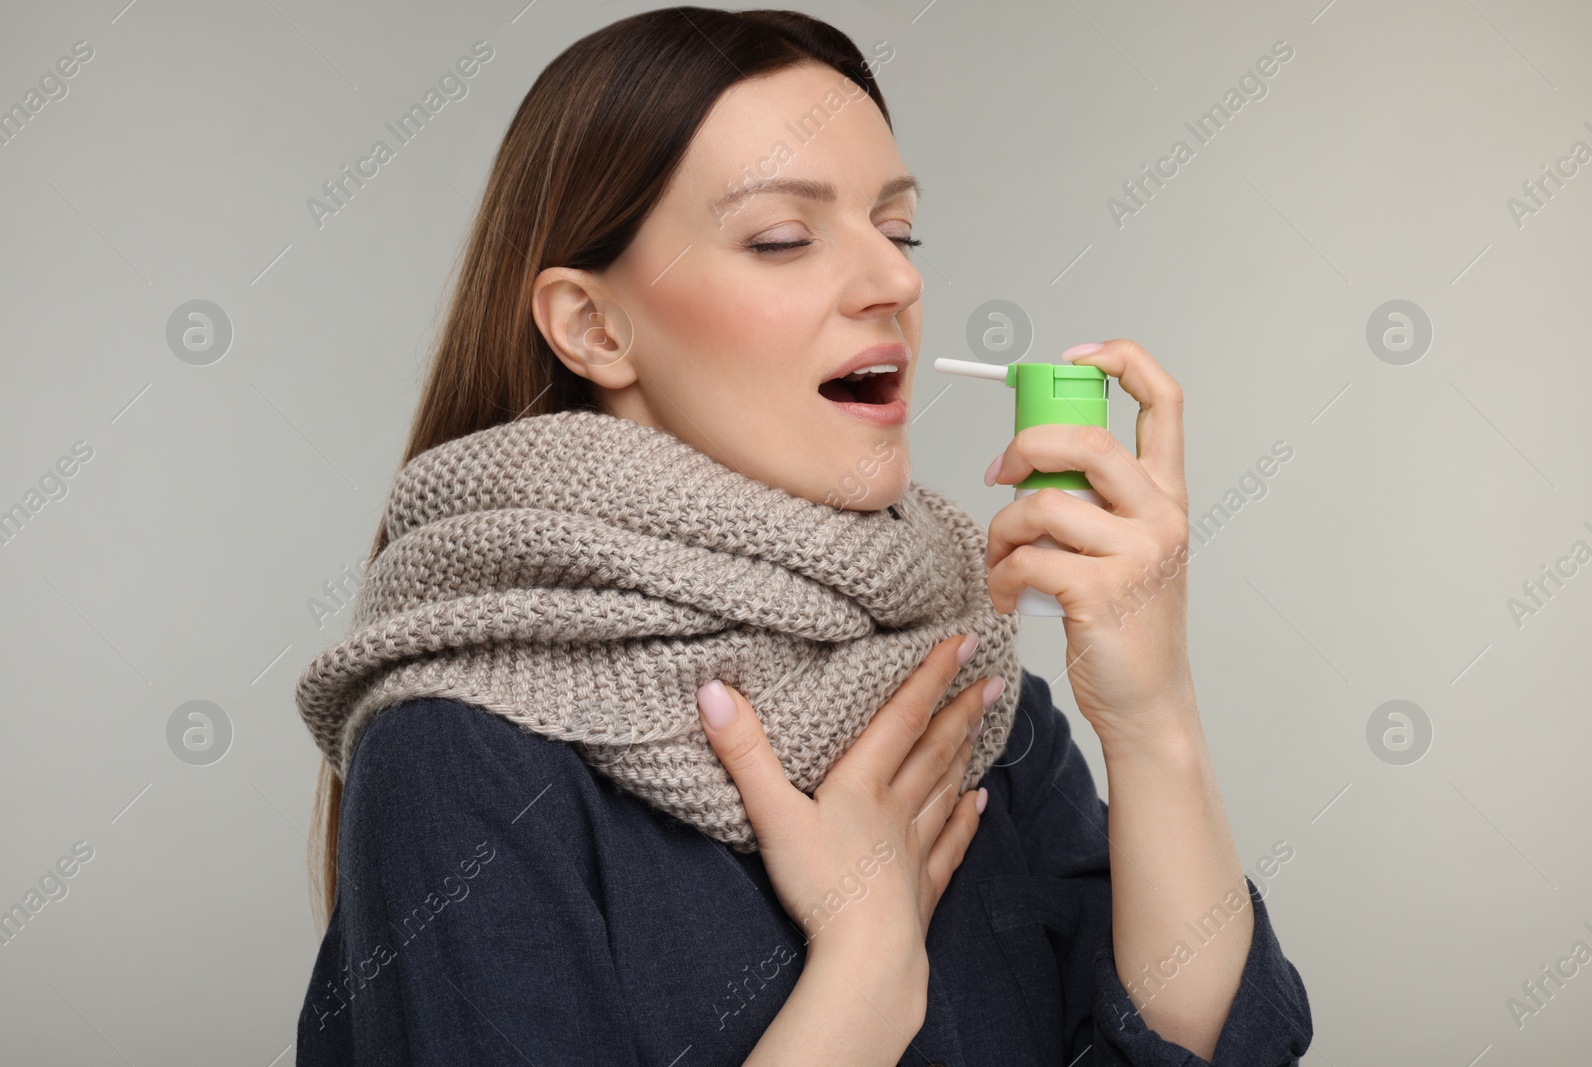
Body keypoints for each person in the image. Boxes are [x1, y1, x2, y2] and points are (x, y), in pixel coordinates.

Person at [293, 8, 1313, 1065]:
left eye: (898, 229)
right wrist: (867, 973)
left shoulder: (963, 676)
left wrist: (1151, 715)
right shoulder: (456, 751)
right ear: (595, 327)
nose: (897, 281)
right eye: (784, 236)